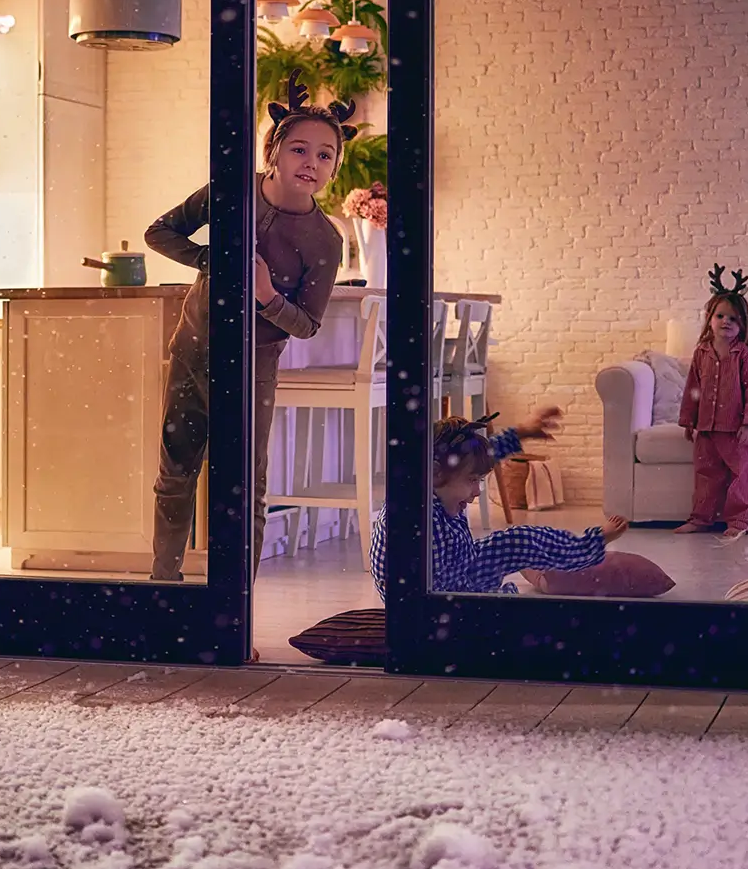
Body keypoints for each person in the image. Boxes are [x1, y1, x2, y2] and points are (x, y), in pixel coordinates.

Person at [146, 76, 355, 587]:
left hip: (253, 371)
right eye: (300, 149)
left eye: (325, 156)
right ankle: (163, 588)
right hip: (194, 353)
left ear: (334, 168)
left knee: (243, 488)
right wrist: (212, 261)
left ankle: (236, 606)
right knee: (175, 476)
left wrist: (265, 296)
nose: (311, 162)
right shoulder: (230, 193)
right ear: (274, 152)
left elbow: (306, 325)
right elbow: (160, 232)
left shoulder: (325, 242)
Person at [369, 410, 629, 601]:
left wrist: (521, 433)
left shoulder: (441, 486)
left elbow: (480, 456)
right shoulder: (413, 513)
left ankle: (590, 543)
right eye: (472, 480)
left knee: (519, 539)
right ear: (435, 473)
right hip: (434, 603)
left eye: (479, 480)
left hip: (460, 570)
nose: (476, 490)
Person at [677, 264, 748, 539]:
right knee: (706, 474)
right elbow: (693, 388)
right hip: (706, 426)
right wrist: (689, 421)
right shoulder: (701, 352)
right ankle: (701, 518)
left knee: (741, 474)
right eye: (721, 316)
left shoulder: (747, 355)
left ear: (743, 325)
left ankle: (739, 521)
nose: (726, 322)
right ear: (710, 318)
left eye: (734, 319)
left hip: (735, 427)